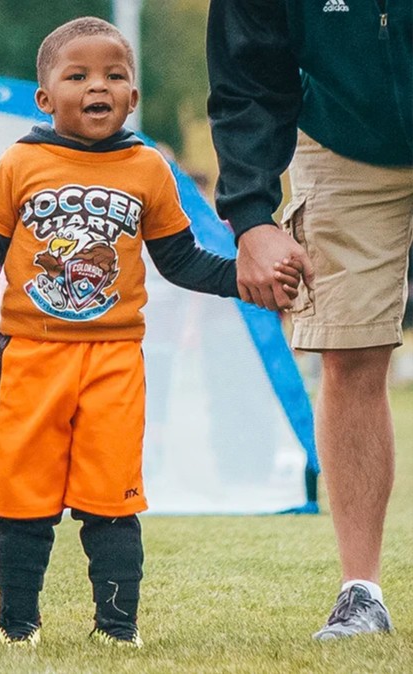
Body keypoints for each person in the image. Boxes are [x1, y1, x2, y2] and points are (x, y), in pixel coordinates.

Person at [0, 17, 293, 649]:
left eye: (115, 76)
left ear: (133, 96)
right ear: (46, 98)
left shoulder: (148, 167)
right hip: (31, 357)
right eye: (80, 75)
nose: (100, 86)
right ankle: (17, 627)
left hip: (116, 358)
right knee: (24, 501)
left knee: (112, 498)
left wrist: (243, 281)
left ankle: (116, 628)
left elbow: (178, 261)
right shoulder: (21, 162)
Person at [207, 0, 412, 640]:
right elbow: (248, 78)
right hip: (344, 142)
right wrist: (252, 216)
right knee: (347, 352)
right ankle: (362, 595)